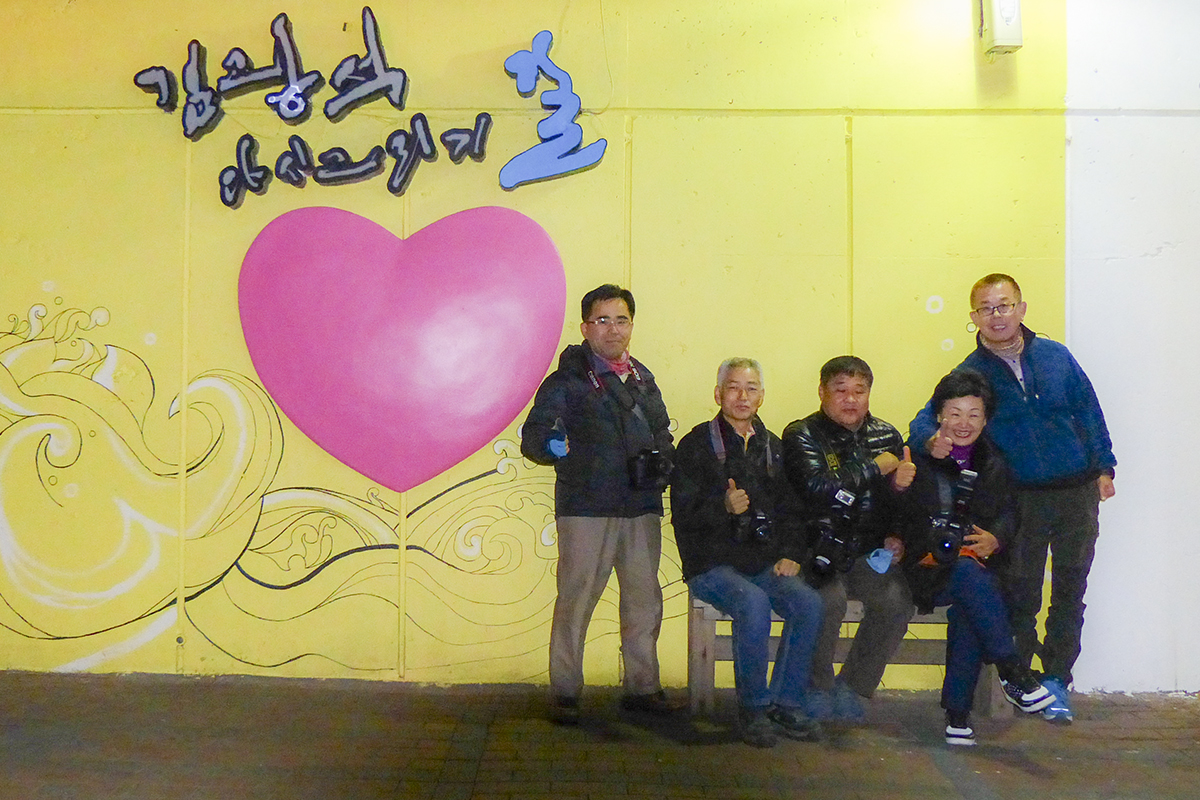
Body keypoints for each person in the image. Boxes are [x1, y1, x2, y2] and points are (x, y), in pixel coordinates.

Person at [908, 273, 1116, 723]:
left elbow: (1088, 410)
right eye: (986, 308)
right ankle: (1023, 683)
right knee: (1021, 593)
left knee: (1070, 591)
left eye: (1004, 305)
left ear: (1021, 309)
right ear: (973, 317)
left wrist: (1105, 466)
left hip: (1077, 491)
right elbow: (924, 419)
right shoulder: (970, 372)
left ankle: (1056, 679)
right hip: (1020, 498)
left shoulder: (1057, 356)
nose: (996, 315)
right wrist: (930, 441)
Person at [520, 284, 675, 723]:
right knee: (576, 599)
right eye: (603, 320)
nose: (613, 329)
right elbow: (534, 437)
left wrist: (663, 463)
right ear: (585, 327)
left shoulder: (643, 379)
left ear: (632, 326)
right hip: (585, 507)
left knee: (644, 601)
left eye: (621, 320)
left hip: (641, 507)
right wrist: (555, 446)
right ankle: (565, 691)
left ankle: (642, 687)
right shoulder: (567, 380)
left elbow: (662, 430)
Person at [671, 358, 824, 747]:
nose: (742, 396)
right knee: (753, 602)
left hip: (762, 562)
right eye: (734, 387)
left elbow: (792, 510)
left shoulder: (774, 447)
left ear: (762, 397)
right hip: (711, 564)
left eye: (751, 388)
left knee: (808, 603)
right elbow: (682, 515)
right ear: (718, 394)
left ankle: (787, 704)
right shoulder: (695, 445)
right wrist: (722, 507)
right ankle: (754, 709)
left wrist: (792, 553)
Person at [898, 369, 1054, 746]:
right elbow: (895, 514)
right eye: (954, 413)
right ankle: (1012, 671)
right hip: (925, 567)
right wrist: (898, 488)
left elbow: (1009, 513)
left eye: (973, 414)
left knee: (971, 598)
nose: (963, 423)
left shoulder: (995, 462)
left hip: (975, 570)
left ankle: (958, 717)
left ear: (985, 420)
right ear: (938, 414)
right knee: (971, 580)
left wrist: (995, 538)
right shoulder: (917, 456)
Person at [781, 356, 916, 722]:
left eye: (860, 391)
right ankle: (817, 688)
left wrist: (896, 534)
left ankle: (854, 687)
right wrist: (874, 467)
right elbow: (817, 488)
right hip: (814, 547)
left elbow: (901, 503)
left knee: (896, 600)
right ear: (822, 392)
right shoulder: (801, 434)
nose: (851, 399)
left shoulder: (887, 435)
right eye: (841, 390)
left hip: (866, 551)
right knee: (829, 600)